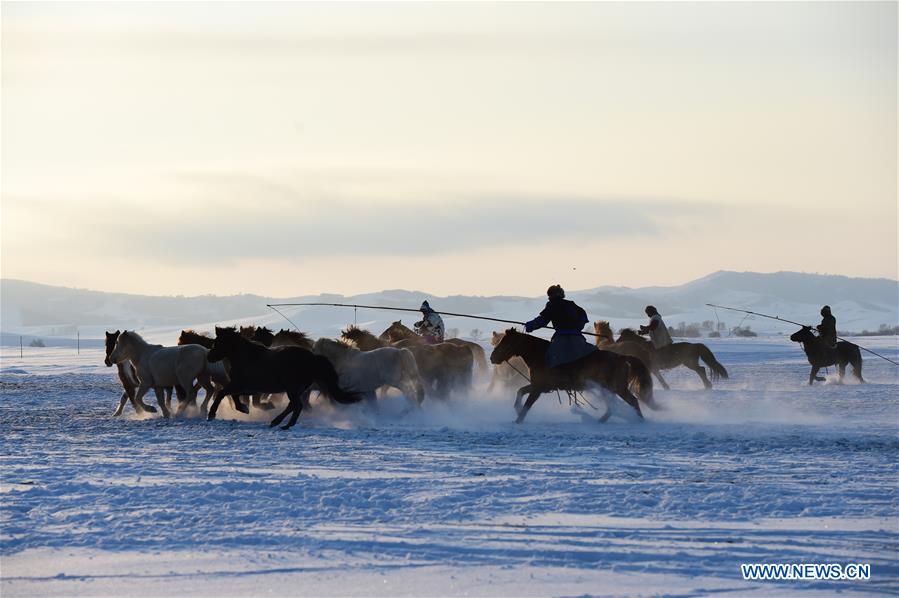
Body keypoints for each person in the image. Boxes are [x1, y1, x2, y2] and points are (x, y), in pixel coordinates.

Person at [525, 284, 596, 367]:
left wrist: (529, 326)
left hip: (561, 339)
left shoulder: (551, 305)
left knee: (551, 358)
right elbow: (583, 318)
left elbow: (542, 321)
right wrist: (577, 329)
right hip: (577, 338)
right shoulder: (571, 304)